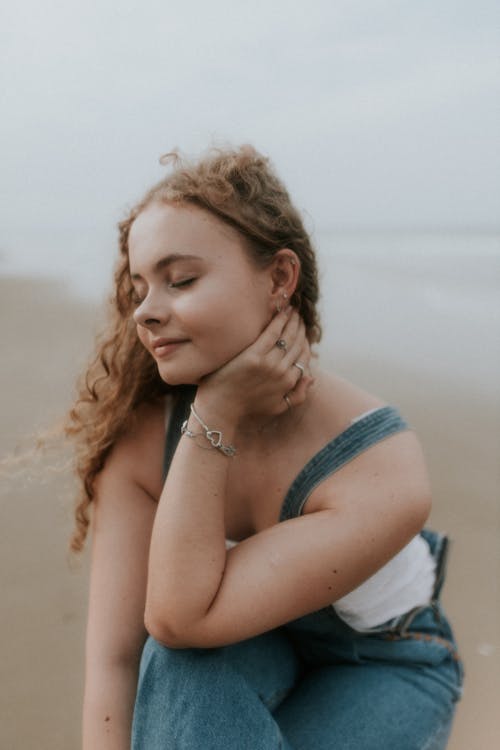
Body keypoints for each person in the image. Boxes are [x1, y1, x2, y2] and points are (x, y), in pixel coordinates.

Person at [71, 145, 463, 749]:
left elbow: (181, 615)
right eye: (139, 287)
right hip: (242, 647)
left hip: (383, 659)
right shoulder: (143, 444)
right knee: (180, 662)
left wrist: (216, 415)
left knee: (184, 638)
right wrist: (214, 416)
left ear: (279, 278)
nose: (146, 312)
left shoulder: (382, 464)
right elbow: (119, 660)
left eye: (180, 280)